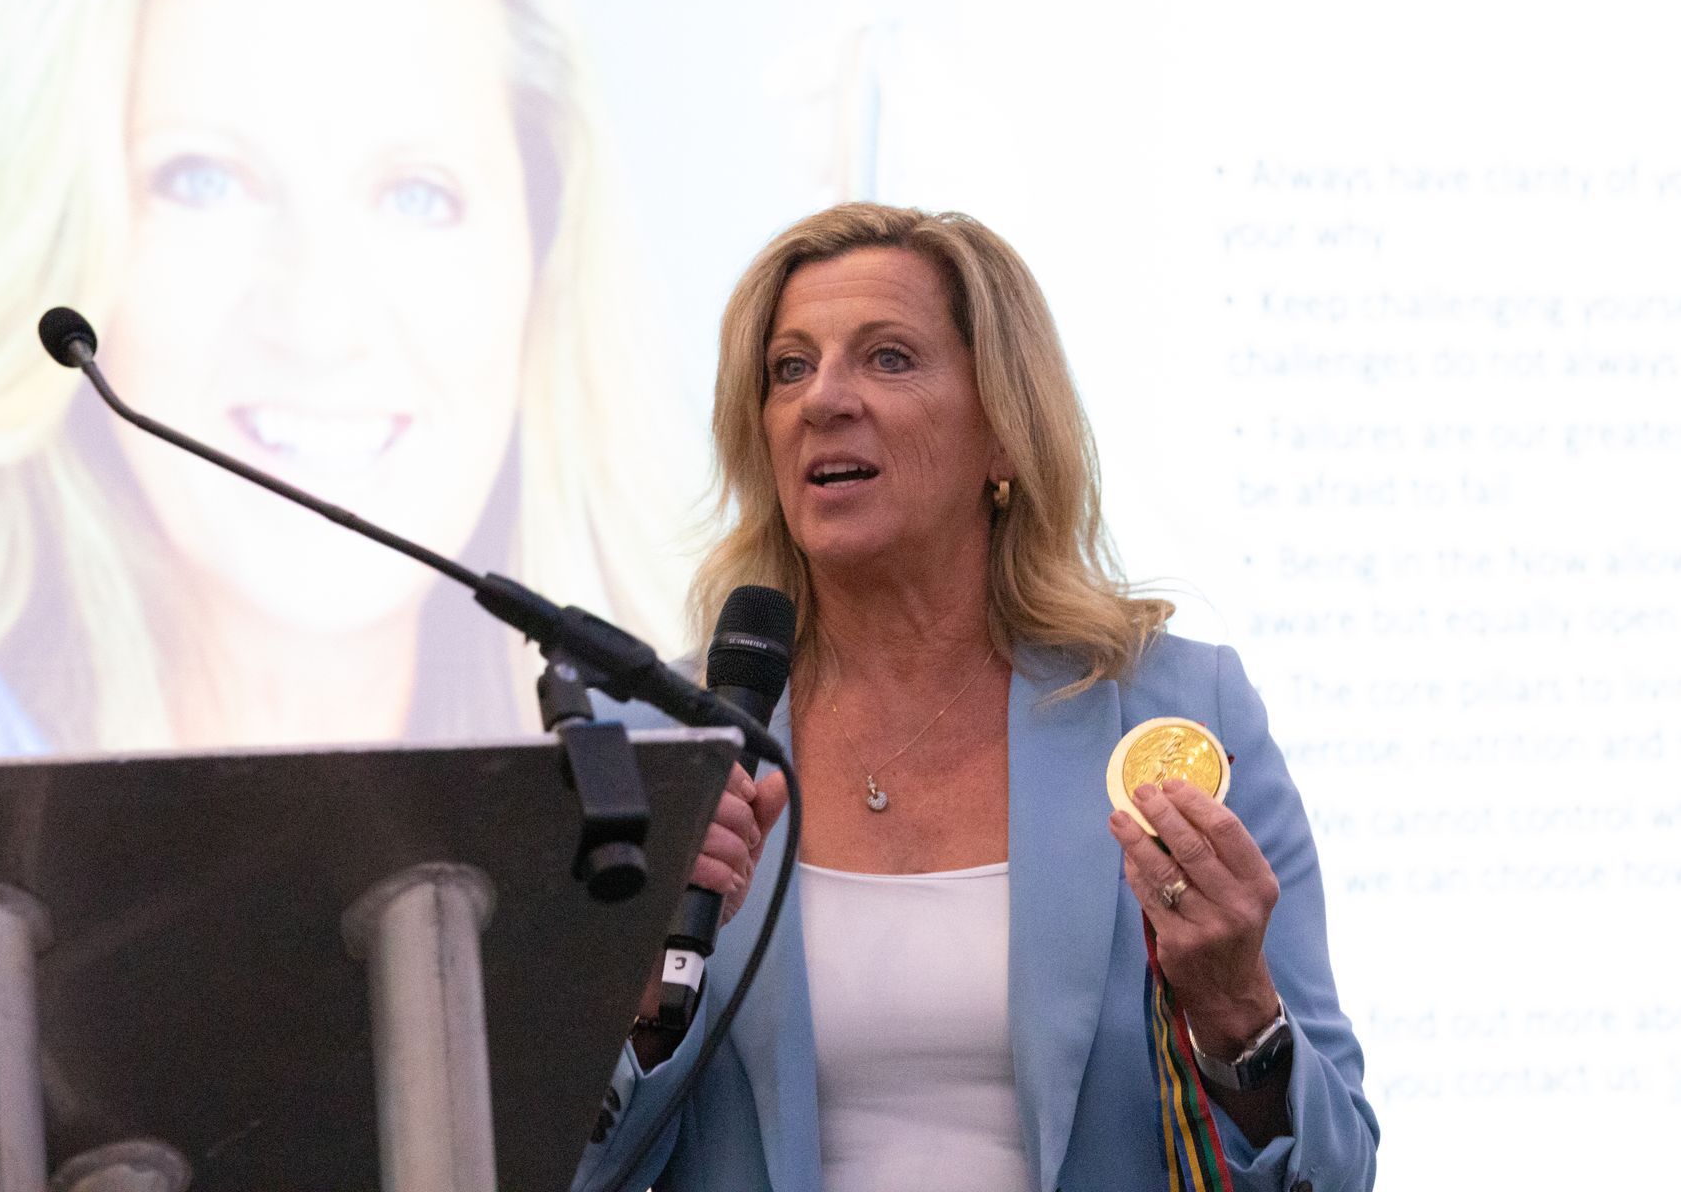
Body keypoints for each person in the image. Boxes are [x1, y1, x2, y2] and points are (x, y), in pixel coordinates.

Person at [573, 203, 1377, 1191]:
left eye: (889, 358)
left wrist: (1237, 1013)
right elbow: (549, 1167)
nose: (824, 398)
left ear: (1003, 429)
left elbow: (1335, 1173)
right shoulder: (660, 747)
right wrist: (645, 996)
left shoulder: (1176, 709)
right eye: (790, 367)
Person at [0, 0, 694, 757]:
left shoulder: (692, 783)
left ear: (543, 263)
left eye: (417, 195)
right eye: (203, 180)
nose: (319, 324)